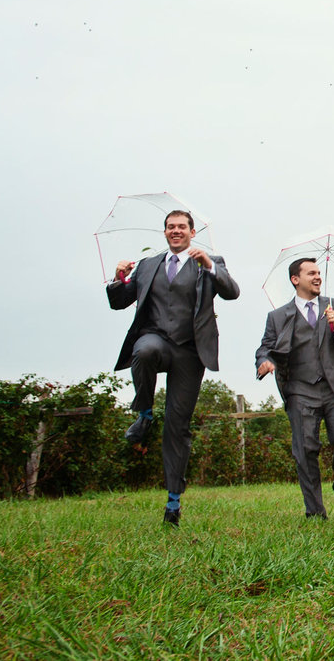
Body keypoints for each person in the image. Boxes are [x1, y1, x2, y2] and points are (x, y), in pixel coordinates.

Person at [106, 209, 240, 526]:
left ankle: (173, 502)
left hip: (191, 351)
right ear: (165, 232)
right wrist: (118, 278)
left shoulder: (211, 261)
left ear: (193, 232)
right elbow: (119, 302)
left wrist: (209, 266)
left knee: (177, 427)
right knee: (145, 350)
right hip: (156, 338)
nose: (175, 231)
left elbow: (232, 292)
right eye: (170, 227)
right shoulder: (148, 265)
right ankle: (144, 413)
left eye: (182, 227)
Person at [255, 258, 334, 519]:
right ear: (295, 279)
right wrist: (265, 362)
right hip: (300, 390)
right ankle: (315, 513)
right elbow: (265, 347)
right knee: (305, 450)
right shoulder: (277, 316)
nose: (317, 277)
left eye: (318, 273)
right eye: (311, 273)